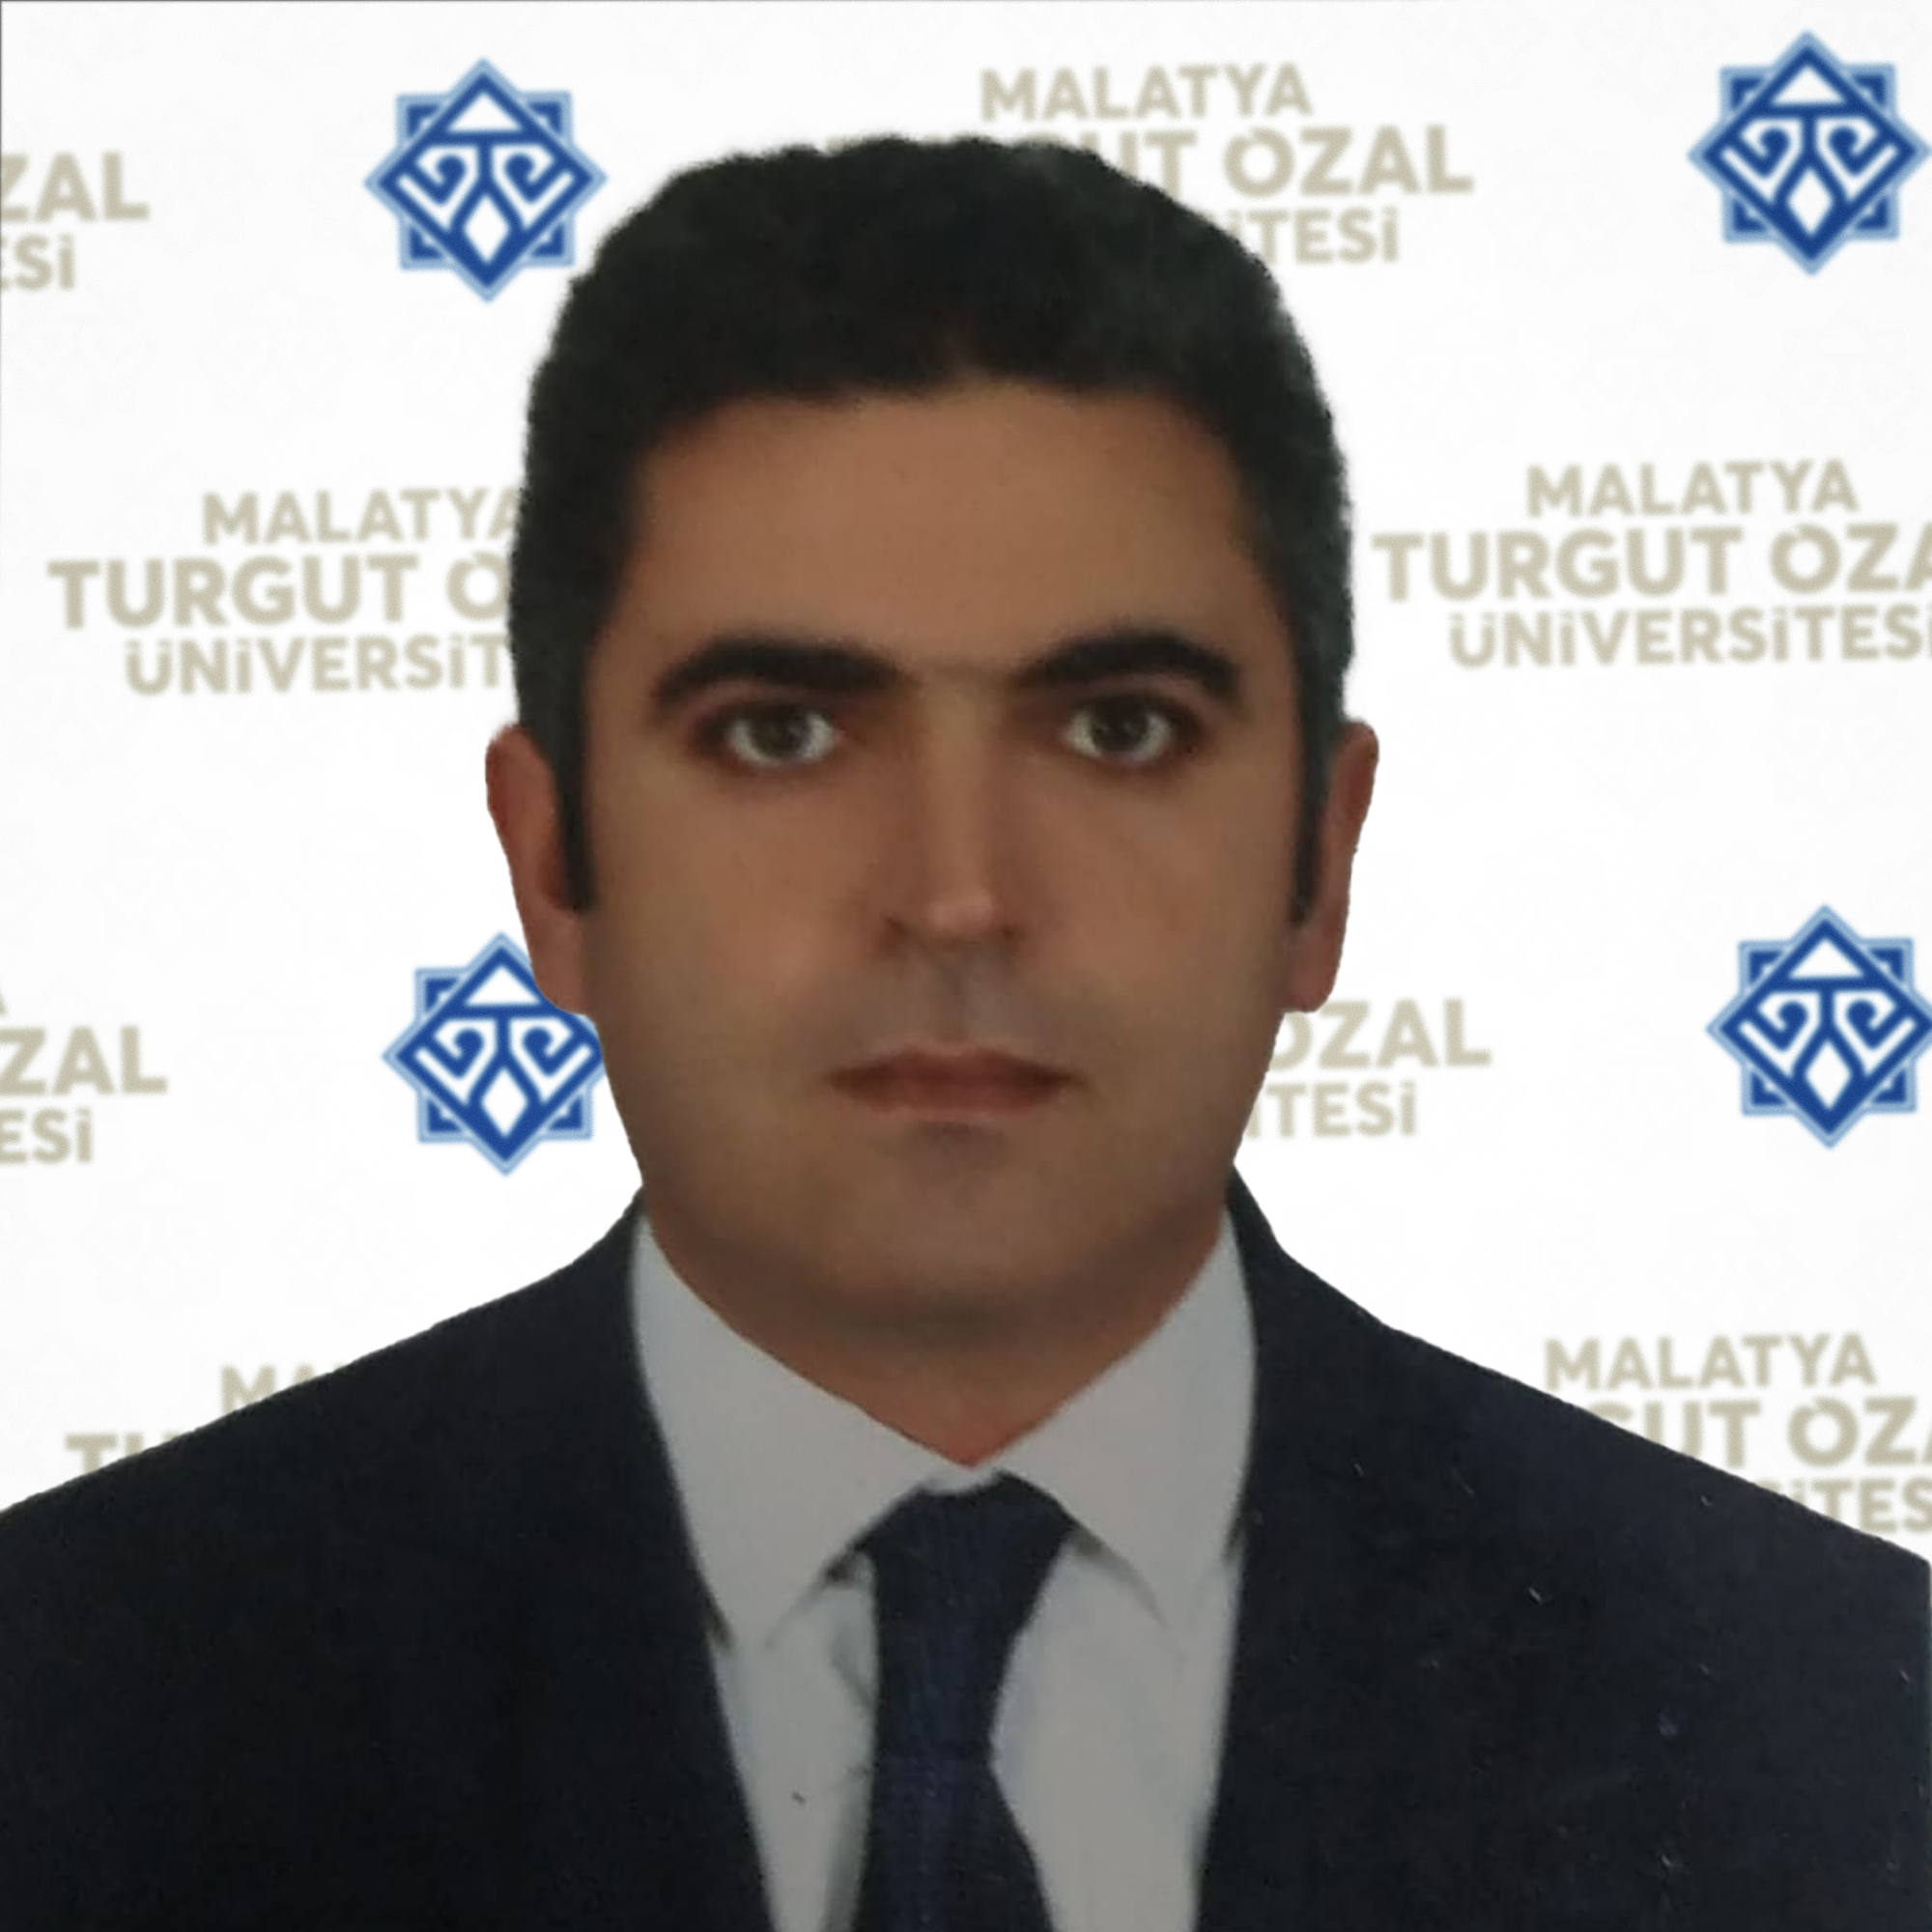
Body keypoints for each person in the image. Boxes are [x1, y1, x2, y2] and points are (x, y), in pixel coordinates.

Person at [0, 135, 1924, 1931]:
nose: (957, 895)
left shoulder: (1846, 1721)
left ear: (1319, 862)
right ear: (554, 864)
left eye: (1118, 729)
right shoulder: (74, 1692)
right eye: (781, 733)